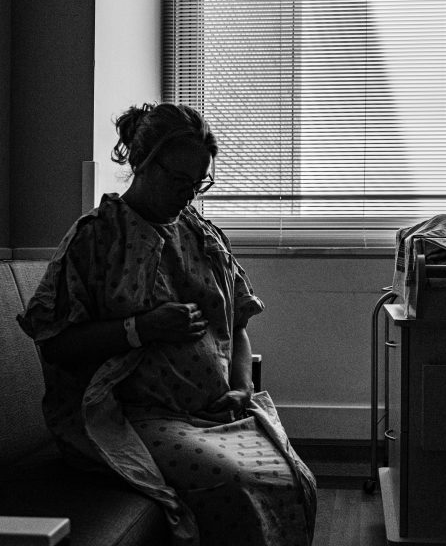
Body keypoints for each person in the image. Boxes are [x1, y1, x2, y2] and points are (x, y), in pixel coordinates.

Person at [17, 102, 317, 546]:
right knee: (236, 482)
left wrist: (241, 388)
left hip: (215, 411)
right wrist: (141, 328)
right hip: (132, 417)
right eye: (178, 180)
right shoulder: (96, 237)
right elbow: (56, 343)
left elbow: (237, 323)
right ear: (141, 160)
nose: (187, 195)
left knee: (294, 476)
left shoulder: (204, 235)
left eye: (198, 183)